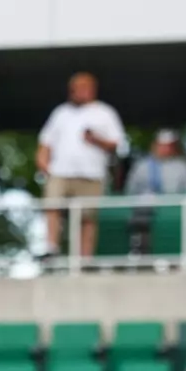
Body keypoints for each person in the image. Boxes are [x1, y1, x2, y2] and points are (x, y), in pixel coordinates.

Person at [37, 72, 123, 261]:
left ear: (93, 90)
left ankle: (85, 259)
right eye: (76, 88)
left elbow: (117, 144)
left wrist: (96, 140)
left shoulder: (105, 113)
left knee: (87, 217)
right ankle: (51, 248)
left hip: (92, 174)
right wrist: (43, 161)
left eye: (84, 87)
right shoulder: (61, 113)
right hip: (60, 172)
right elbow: (46, 141)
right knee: (52, 206)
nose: (79, 92)